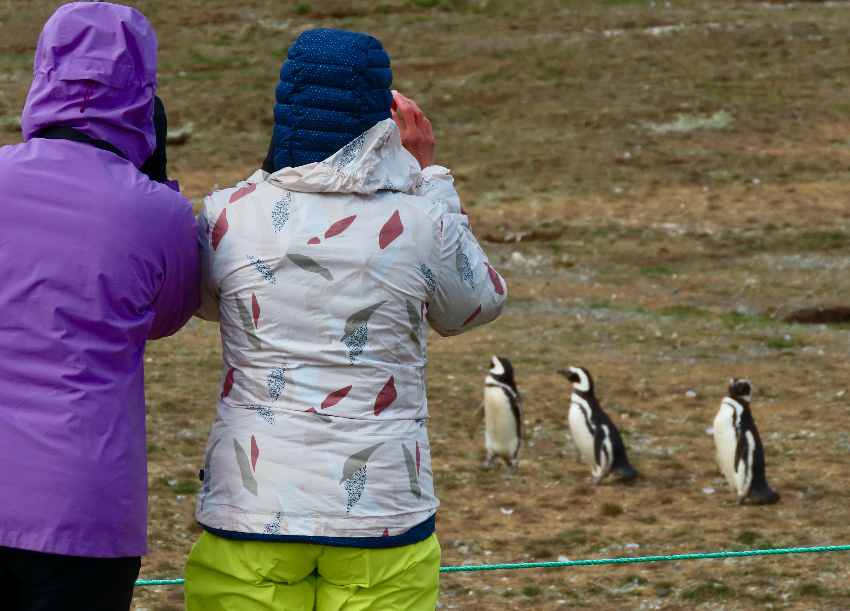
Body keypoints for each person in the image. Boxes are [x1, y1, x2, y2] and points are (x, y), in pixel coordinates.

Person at [185, 28, 507, 611]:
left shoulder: (226, 215)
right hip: (381, 514)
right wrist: (429, 179)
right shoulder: (420, 220)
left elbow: (210, 304)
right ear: (382, 119)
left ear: (284, 111)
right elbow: (476, 305)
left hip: (250, 508)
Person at [0, 3, 199, 610]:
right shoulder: (160, 211)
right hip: (82, 506)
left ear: (43, 73)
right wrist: (155, 181)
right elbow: (167, 316)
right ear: (144, 88)